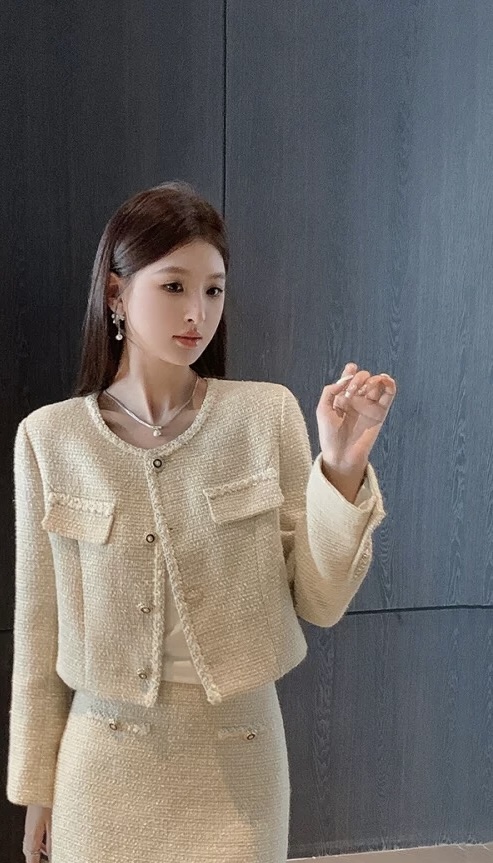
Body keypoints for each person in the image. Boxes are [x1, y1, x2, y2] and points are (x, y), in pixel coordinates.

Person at [7, 181, 396, 863]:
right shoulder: (49, 438)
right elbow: (38, 632)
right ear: (116, 293)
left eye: (213, 290)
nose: (198, 312)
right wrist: (38, 790)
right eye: (174, 286)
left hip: (239, 765)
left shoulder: (264, 415)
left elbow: (321, 600)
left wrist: (339, 467)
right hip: (102, 770)